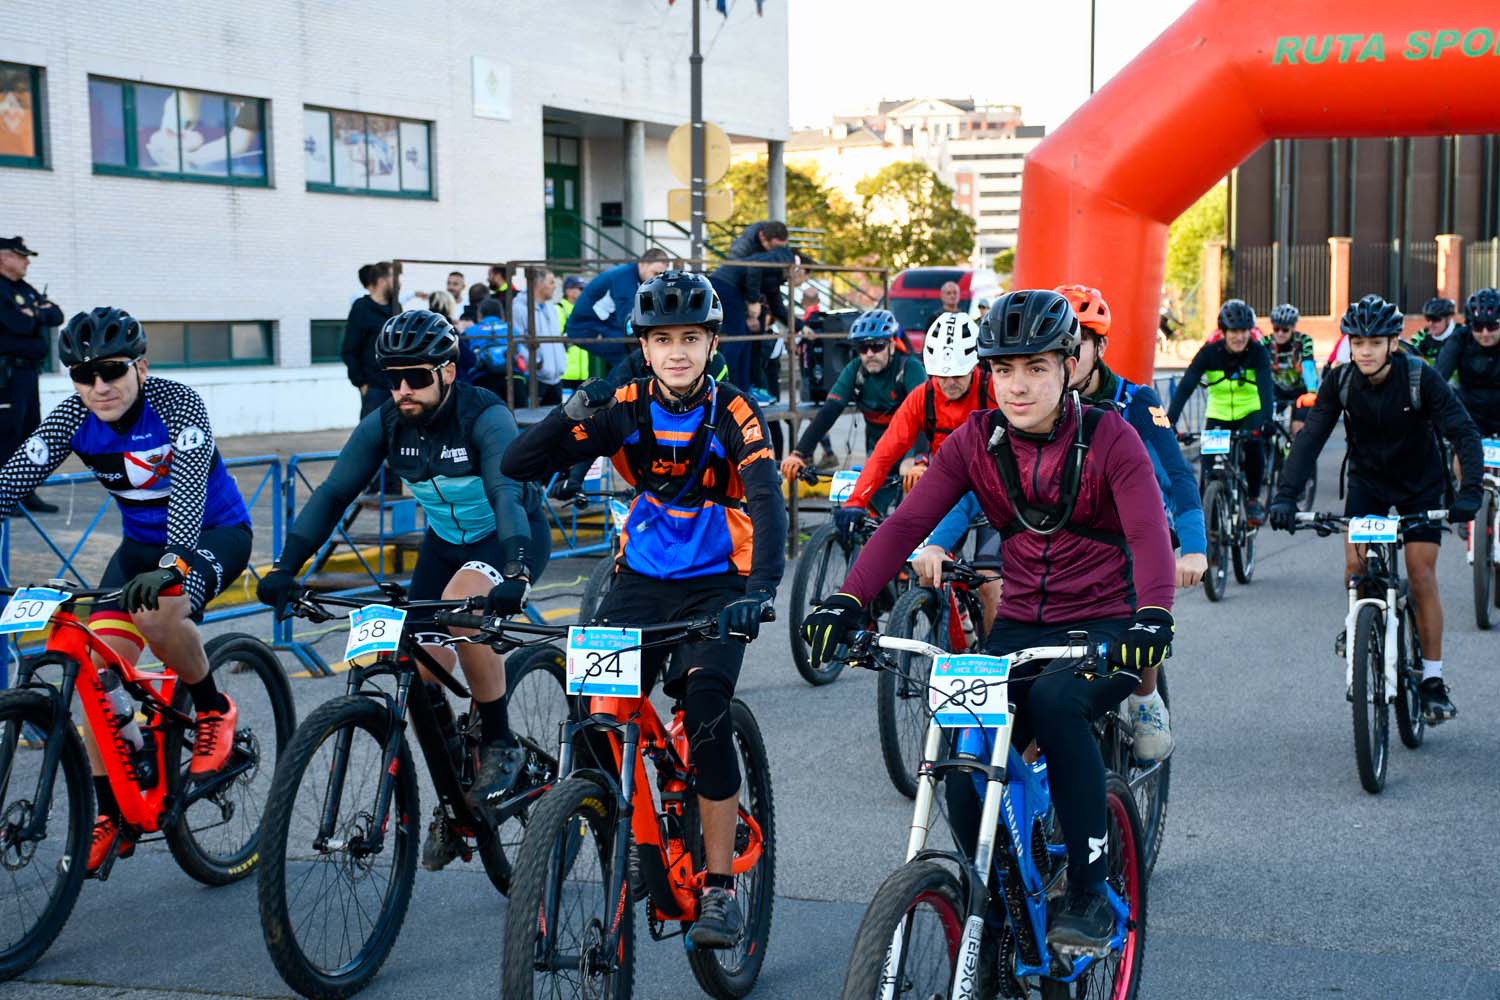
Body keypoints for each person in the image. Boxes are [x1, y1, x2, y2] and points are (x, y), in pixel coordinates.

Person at [802, 289, 1175, 955]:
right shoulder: (977, 440)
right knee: (963, 747)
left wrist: (1152, 617)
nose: (1019, 385)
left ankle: (1088, 890)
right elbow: (909, 525)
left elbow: (1149, 536)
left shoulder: (1111, 437)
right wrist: (848, 600)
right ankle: (1002, 892)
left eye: (1036, 368)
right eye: (1004, 370)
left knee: (1059, 704)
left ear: (1068, 367)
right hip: (1020, 628)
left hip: (1108, 623)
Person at [502, 270, 786, 949]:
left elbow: (770, 504)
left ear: (711, 343)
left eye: (691, 338)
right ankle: (611, 820)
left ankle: (718, 889)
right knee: (596, 708)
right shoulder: (624, 404)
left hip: (721, 581)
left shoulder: (735, 412)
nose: (678, 352)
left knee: (709, 711)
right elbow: (519, 461)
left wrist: (762, 591)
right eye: (664, 340)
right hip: (642, 578)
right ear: (646, 347)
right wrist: (572, 412)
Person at [257, 309, 551, 868]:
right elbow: (333, 493)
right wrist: (285, 567)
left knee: (463, 613)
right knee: (417, 663)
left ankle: (500, 741)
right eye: (392, 377)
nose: (402, 389)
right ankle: (455, 798)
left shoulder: (484, 417)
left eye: (415, 377)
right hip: (442, 546)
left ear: (447, 369)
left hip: (507, 537)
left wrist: (514, 573)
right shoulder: (389, 420)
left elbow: (505, 494)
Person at [0, 308, 252, 871]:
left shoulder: (177, 403)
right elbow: (17, 472)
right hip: (137, 552)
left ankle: (212, 711)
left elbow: (186, 492)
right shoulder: (72, 415)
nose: (98, 386)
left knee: (161, 613)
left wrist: (172, 565)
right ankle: (115, 807)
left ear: (140, 365)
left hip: (211, 535)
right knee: (93, 667)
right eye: (83, 376)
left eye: (110, 371)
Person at [1269, 294, 1481, 725]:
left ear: (1392, 344)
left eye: (1374, 343)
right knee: (1355, 564)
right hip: (1368, 482)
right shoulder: (1341, 380)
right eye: (1357, 342)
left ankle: (1433, 681)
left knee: (1421, 573)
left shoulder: (1421, 377)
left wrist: (1469, 492)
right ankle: (1363, 617)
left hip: (1420, 485)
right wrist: (1286, 496)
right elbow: (1311, 437)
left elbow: (1463, 432)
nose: (1364, 351)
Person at [1060, 283, 1203, 760]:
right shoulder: (1039, 402)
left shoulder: (1136, 402)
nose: (1067, 354)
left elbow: (1179, 477)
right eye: (1058, 342)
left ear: (1099, 347)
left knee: (1140, 599)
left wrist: (1195, 548)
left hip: (1133, 529)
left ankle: (1145, 696)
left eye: (1077, 342)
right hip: (1066, 533)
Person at [780, 309, 927, 488]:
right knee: (867, 501)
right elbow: (829, 411)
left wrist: (920, 460)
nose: (870, 353)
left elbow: (923, 416)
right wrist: (798, 453)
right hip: (878, 443)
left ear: (892, 345)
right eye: (863, 348)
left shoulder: (910, 368)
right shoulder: (855, 369)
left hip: (912, 441)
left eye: (877, 345)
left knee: (909, 481)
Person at [1167, 298, 1274, 523]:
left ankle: (1253, 499)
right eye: (1233, 331)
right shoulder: (1209, 353)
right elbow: (1187, 385)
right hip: (1218, 415)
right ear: (1223, 331)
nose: (1239, 337)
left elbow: (1266, 388)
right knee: (1208, 469)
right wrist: (1171, 420)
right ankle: (1209, 514)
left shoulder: (1258, 352)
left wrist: (1267, 419)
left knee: (1255, 448)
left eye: (1244, 331)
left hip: (1249, 412)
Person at [0, 235, 63, 513]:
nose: (27, 261)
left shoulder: (24, 288)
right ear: (3, 257)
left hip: (27, 373)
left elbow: (57, 315)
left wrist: (32, 311)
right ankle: (5, 495)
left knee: (29, 433)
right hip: (5, 375)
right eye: (21, 256)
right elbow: (18, 324)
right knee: (6, 433)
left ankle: (26, 493)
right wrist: (36, 314)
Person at [566, 249, 671, 366]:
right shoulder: (624, 279)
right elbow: (628, 319)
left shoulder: (632, 276)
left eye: (661, 276)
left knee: (634, 352)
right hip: (586, 327)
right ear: (642, 264)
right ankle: (622, 382)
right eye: (655, 273)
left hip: (603, 324)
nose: (657, 279)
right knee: (631, 356)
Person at [1436, 288, 1500, 436]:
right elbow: (1438, 376)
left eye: (1492, 326)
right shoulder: (1460, 339)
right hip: (1469, 412)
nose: (1485, 333)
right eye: (1478, 326)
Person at [340, 260, 398, 420]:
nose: (398, 283)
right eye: (395, 278)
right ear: (382, 281)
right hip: (374, 388)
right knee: (373, 437)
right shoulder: (362, 308)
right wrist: (362, 384)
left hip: (399, 386)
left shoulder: (396, 307)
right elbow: (349, 350)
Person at [510, 268, 566, 406]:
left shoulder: (551, 307)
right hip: (536, 377)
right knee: (534, 422)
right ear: (540, 284)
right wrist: (536, 363)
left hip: (556, 377)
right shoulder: (519, 308)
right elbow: (517, 340)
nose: (555, 286)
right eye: (551, 282)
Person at [1267, 303, 1319, 435]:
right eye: (1276, 329)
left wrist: (1312, 391)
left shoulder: (1304, 340)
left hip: (1300, 390)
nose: (1280, 333)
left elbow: (1308, 366)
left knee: (1298, 428)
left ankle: (1295, 450)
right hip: (1277, 389)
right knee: (1264, 423)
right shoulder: (1265, 342)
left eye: (1285, 330)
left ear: (1293, 328)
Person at [468, 297, 524, 402]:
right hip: (514, 379)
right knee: (521, 416)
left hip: (483, 381)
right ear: (502, 315)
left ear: (479, 315)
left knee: (487, 416)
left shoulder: (470, 332)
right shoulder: (513, 330)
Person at [1409, 297, 1464, 366]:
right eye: (1428, 319)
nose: (1430, 324)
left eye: (1436, 319)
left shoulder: (1462, 334)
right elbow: (1408, 352)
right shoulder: (1422, 335)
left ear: (1449, 319)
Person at [559, 275, 591, 390]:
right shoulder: (559, 309)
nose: (584, 292)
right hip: (564, 373)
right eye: (580, 289)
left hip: (582, 374)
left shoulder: (582, 310)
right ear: (569, 291)